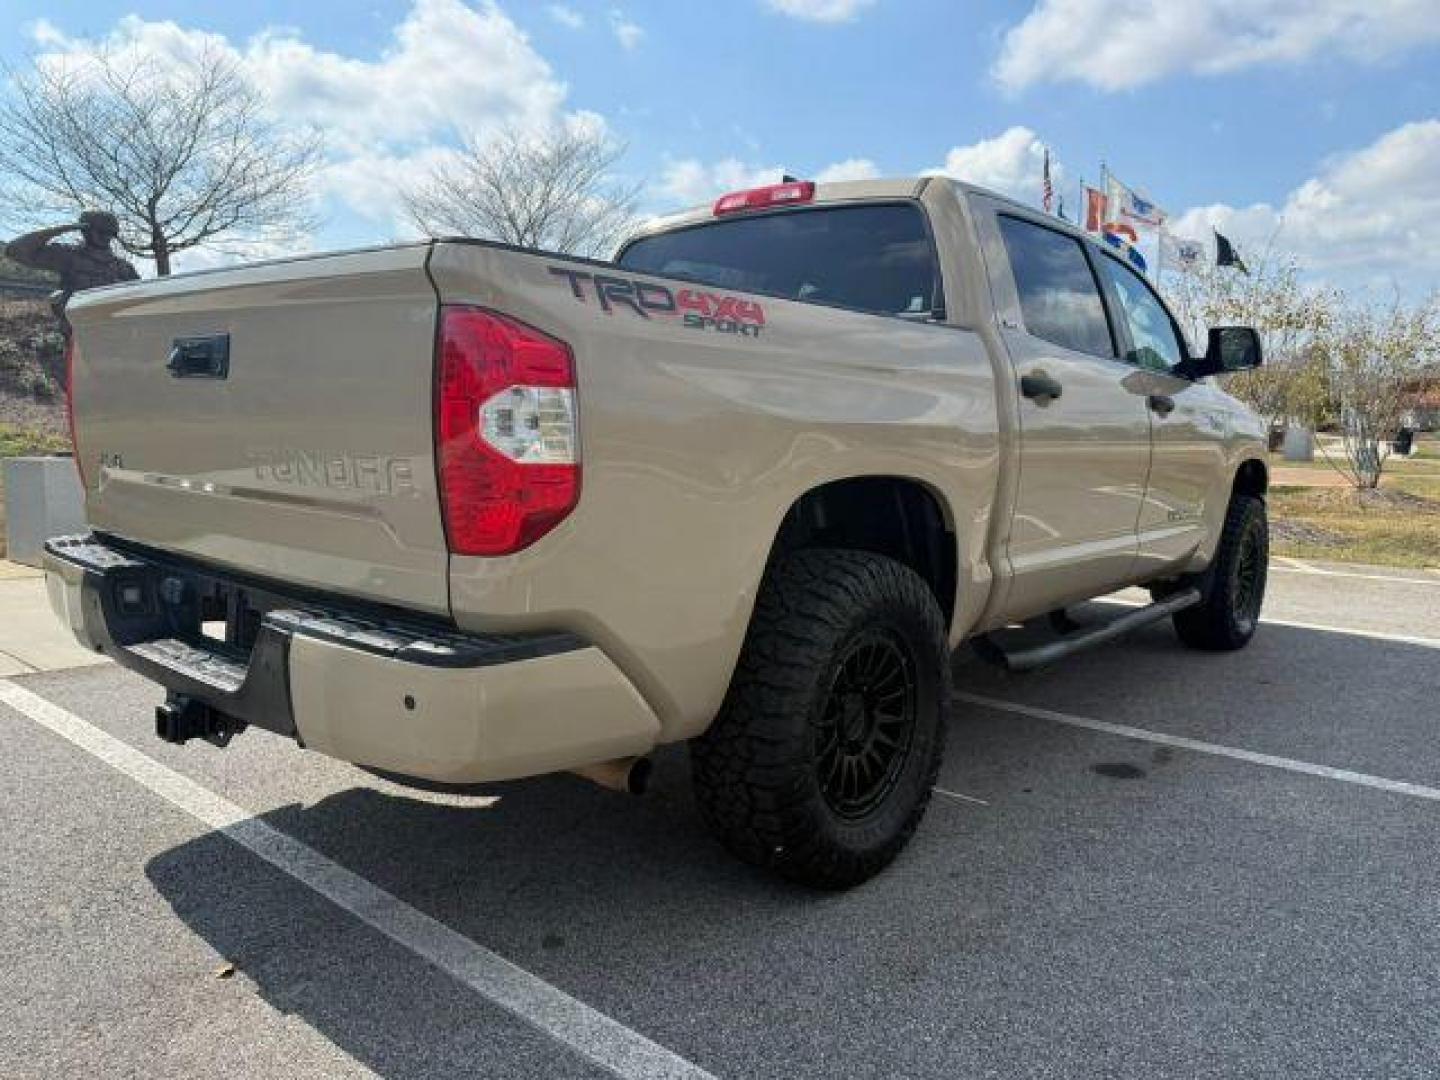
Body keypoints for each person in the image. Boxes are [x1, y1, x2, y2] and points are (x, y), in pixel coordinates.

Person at [4, 210, 140, 319]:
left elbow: (141, 301)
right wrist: (64, 229)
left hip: (115, 333)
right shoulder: (68, 256)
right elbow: (15, 251)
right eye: (100, 231)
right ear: (85, 231)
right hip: (78, 335)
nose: (105, 236)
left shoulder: (124, 268)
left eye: (109, 232)